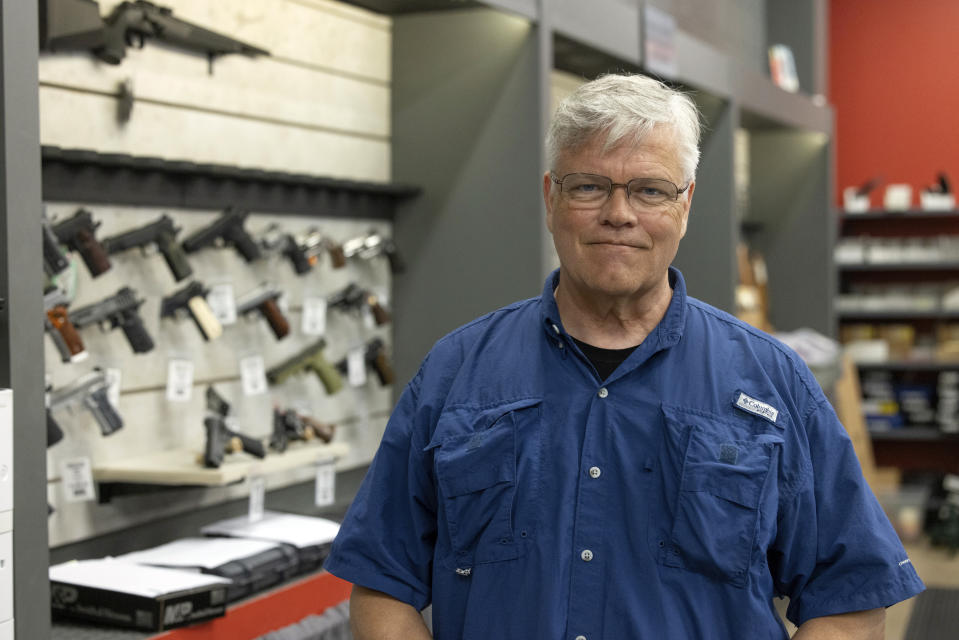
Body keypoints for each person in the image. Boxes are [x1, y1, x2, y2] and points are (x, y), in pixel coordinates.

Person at [324, 73, 924, 639]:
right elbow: (381, 583)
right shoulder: (456, 372)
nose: (619, 213)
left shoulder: (770, 381)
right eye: (589, 186)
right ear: (550, 197)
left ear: (685, 204)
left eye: (649, 190)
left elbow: (853, 596)